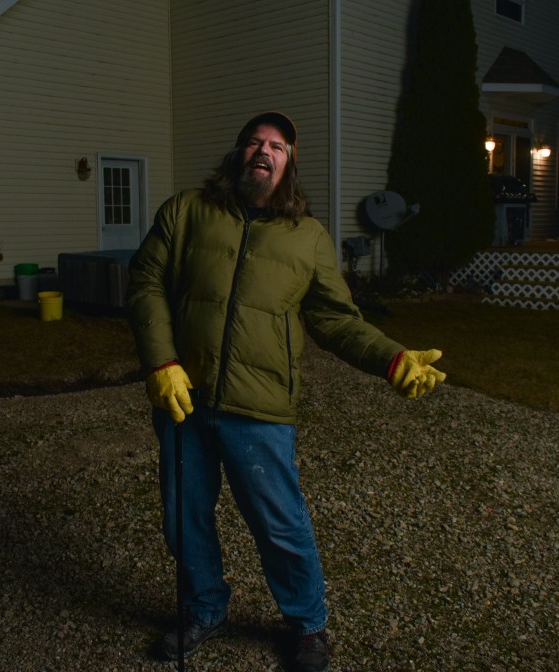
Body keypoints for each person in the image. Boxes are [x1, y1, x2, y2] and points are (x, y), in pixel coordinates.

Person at [126, 111, 445, 672]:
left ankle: (307, 625)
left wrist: (391, 357)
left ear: (289, 163)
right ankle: (205, 609)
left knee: (279, 522)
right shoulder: (186, 211)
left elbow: (336, 319)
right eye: (254, 141)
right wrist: (162, 361)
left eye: (277, 146)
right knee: (183, 517)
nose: (263, 151)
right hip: (184, 397)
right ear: (237, 154)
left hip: (260, 406)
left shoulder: (308, 237)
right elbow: (146, 281)